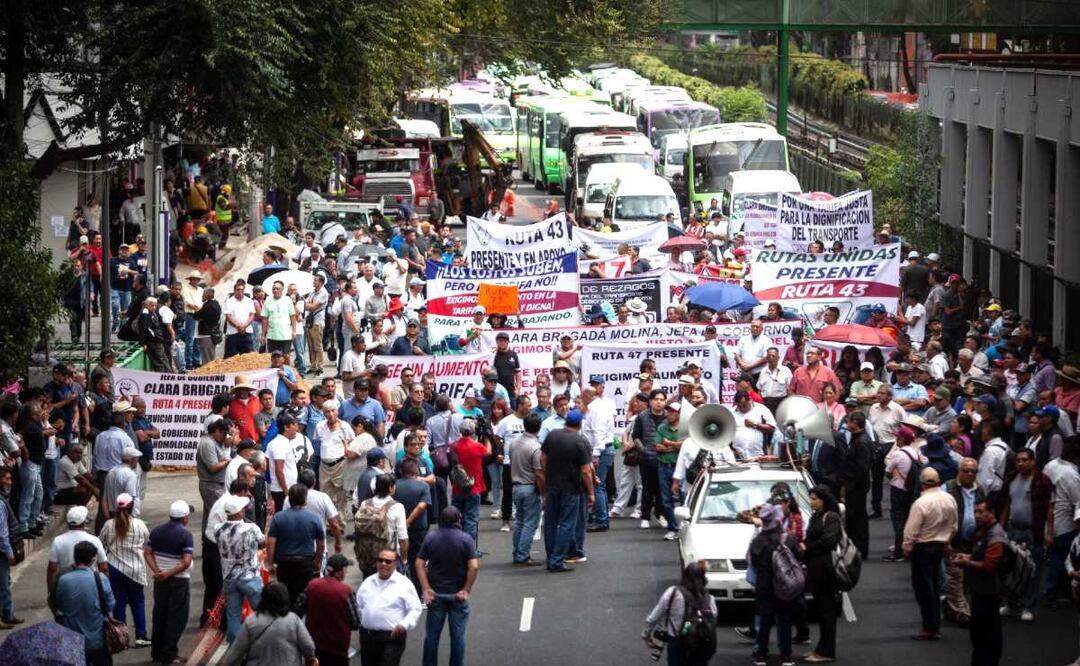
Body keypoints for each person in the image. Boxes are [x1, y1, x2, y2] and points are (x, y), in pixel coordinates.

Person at [416, 506, 480, 666]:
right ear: (459, 519)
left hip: (436, 594)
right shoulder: (466, 539)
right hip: (457, 595)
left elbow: (419, 563)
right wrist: (466, 589)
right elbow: (474, 566)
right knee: (458, 638)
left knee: (431, 637)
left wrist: (425, 588)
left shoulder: (431, 538)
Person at [903, 467, 958, 640]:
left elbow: (911, 531)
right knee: (934, 586)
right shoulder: (949, 499)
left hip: (923, 548)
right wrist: (948, 542)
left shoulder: (921, 503)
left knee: (923, 589)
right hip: (940, 547)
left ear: (922, 484)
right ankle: (935, 624)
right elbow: (954, 526)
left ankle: (929, 627)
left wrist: (907, 548)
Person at [998, 448, 1051, 620]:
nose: (1020, 463)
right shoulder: (1012, 478)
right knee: (1010, 568)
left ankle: (1027, 606)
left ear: (1033, 461)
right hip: (1013, 529)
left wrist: (1049, 532)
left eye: (1024, 460)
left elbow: (1050, 508)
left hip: (1032, 531)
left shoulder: (1042, 481)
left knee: (1032, 569)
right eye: (1018, 460)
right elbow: (1007, 504)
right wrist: (1000, 527)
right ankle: (1011, 604)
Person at [953, 501, 1007, 666]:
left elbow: (989, 566)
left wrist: (967, 563)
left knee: (986, 636)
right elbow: (981, 557)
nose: (976, 515)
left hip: (988, 593)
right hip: (980, 591)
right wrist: (968, 557)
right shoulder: (985, 532)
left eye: (981, 512)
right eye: (975, 511)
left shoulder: (995, 536)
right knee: (978, 635)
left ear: (991, 512)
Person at [541, 408, 594, 572]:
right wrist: (591, 492)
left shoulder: (553, 435)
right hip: (571, 489)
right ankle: (557, 560)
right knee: (566, 525)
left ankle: (551, 556)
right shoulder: (580, 442)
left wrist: (549, 474)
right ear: (579, 423)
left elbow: (543, 458)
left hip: (552, 486)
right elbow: (586, 471)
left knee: (550, 523)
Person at [220, 581, 317, 666]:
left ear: (263, 598)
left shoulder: (252, 622)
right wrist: (311, 659)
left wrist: (226, 663)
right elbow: (308, 646)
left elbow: (237, 650)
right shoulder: (294, 620)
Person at [642, 560, 718, 666]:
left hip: (678, 644)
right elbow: (713, 620)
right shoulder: (709, 599)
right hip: (701, 646)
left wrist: (646, 634)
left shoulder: (674, 592)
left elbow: (655, 616)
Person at [355, 548, 423, 666]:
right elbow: (358, 606)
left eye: (388, 561)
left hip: (391, 638)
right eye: (380, 560)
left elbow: (415, 608)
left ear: (395, 563)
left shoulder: (404, 584)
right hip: (368, 638)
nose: (383, 564)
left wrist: (404, 625)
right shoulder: (367, 583)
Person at [99, 493, 151, 648]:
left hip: (114, 569)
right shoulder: (140, 524)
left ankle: (121, 638)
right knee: (138, 602)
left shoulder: (108, 525)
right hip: (135, 570)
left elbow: (100, 543)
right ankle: (141, 636)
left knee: (118, 603)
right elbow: (148, 544)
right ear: (132, 507)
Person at [749, 504, 798, 666]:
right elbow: (799, 557)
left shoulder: (757, 541)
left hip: (764, 586)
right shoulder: (788, 539)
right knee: (784, 621)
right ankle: (786, 656)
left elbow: (753, 563)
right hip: (784, 586)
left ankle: (761, 654)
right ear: (778, 519)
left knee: (764, 621)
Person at [54, 541, 116, 666]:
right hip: (98, 641)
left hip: (72, 641)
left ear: (75, 557)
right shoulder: (100, 578)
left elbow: (59, 606)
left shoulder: (63, 580)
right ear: (93, 559)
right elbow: (110, 605)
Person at [215, 494, 265, 642]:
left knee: (233, 616)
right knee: (263, 612)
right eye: (243, 509)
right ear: (239, 512)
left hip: (229, 578)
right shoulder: (251, 528)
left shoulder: (218, 529)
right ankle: (262, 642)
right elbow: (262, 544)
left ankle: (235, 649)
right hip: (249, 576)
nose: (245, 510)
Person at [800, 486, 842, 663]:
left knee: (827, 613)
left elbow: (828, 540)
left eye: (815, 498)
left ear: (824, 499)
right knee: (821, 611)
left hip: (826, 570)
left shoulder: (831, 517)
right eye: (810, 498)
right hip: (815, 569)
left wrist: (807, 547)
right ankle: (821, 649)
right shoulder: (816, 515)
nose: (811, 501)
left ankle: (826, 651)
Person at [267, 483, 326, 606]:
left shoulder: (278, 517)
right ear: (305, 499)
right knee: (303, 596)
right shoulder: (314, 518)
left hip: (284, 562)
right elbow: (320, 544)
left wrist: (270, 563)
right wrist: (317, 561)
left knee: (286, 594)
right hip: (305, 562)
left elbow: (271, 542)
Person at [300, 554, 361, 666]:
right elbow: (356, 622)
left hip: (314, 645)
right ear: (341, 571)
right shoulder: (346, 591)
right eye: (345, 569)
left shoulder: (312, 585)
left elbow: (300, 606)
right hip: (338, 649)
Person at [354, 473, 409, 578]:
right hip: (388, 559)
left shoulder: (365, 504)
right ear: (391, 488)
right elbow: (403, 538)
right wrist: (404, 559)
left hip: (367, 557)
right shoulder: (397, 507)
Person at [883, 427, 925, 562]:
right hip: (911, 489)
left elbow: (888, 472)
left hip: (898, 489)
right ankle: (908, 547)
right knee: (908, 519)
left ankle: (898, 551)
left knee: (898, 520)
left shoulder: (898, 454)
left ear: (901, 439)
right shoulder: (914, 452)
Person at [509, 413, 545, 564]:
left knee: (520, 521)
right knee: (530, 523)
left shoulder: (514, 443)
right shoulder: (536, 447)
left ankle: (518, 551)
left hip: (516, 486)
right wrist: (543, 492)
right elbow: (539, 473)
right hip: (529, 487)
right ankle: (523, 554)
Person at [449, 419, 489, 549]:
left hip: (458, 487)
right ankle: (470, 548)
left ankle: (456, 545)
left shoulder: (454, 446)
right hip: (474, 487)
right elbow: (488, 452)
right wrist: (487, 438)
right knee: (471, 519)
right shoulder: (477, 447)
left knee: (457, 519)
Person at [839, 412, 873, 558]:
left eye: (849, 422)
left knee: (857, 518)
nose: (846, 425)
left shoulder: (862, 442)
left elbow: (863, 468)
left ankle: (859, 548)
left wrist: (852, 484)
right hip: (854, 485)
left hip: (856, 486)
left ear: (855, 423)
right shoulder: (858, 439)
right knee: (854, 517)